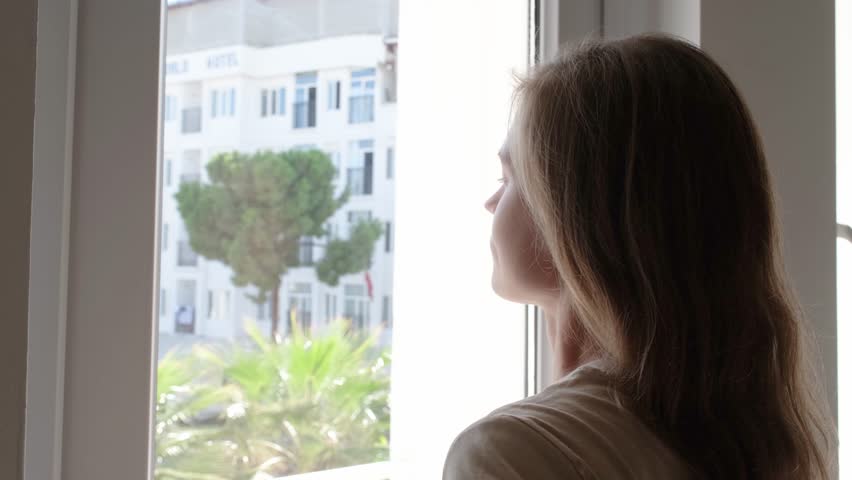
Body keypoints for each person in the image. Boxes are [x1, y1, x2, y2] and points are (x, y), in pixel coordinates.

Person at [442, 33, 837, 480]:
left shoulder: (512, 452)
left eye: (508, 176)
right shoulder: (753, 441)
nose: (491, 202)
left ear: (572, 213)